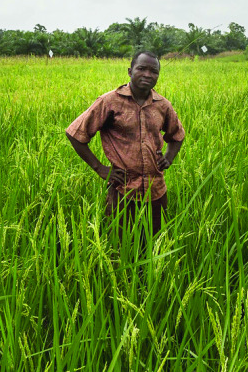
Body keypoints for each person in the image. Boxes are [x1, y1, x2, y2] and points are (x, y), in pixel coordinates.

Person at [65, 51, 185, 239]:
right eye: (141, 69)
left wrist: (168, 158)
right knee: (120, 246)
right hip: (123, 189)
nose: (147, 74)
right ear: (130, 71)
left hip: (156, 190)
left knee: (154, 243)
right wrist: (100, 169)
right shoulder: (109, 102)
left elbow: (177, 135)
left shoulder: (162, 105)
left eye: (153, 71)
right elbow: (75, 133)